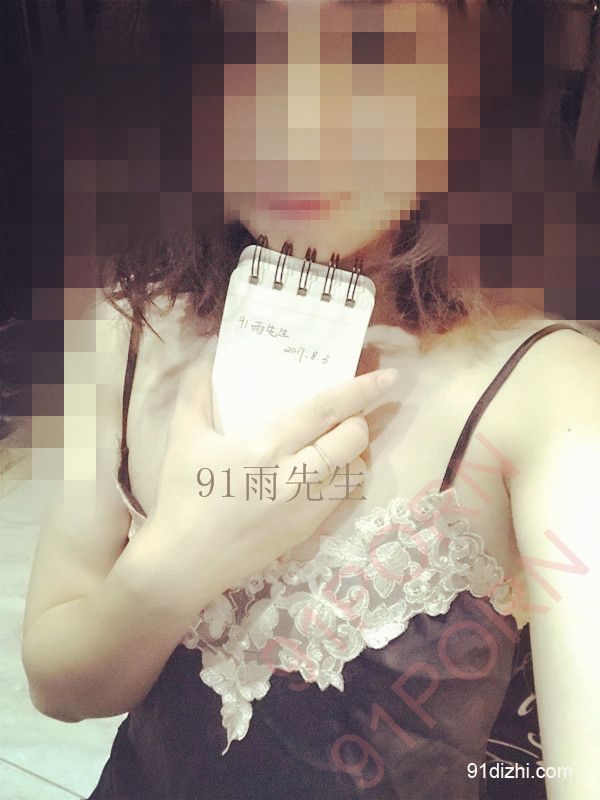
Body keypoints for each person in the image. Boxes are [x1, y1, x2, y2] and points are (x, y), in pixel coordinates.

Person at [21, 1, 600, 799]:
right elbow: (58, 685)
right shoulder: (127, 326)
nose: (293, 124)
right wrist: (176, 563)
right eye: (236, 47)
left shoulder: (554, 399)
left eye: (371, 48)